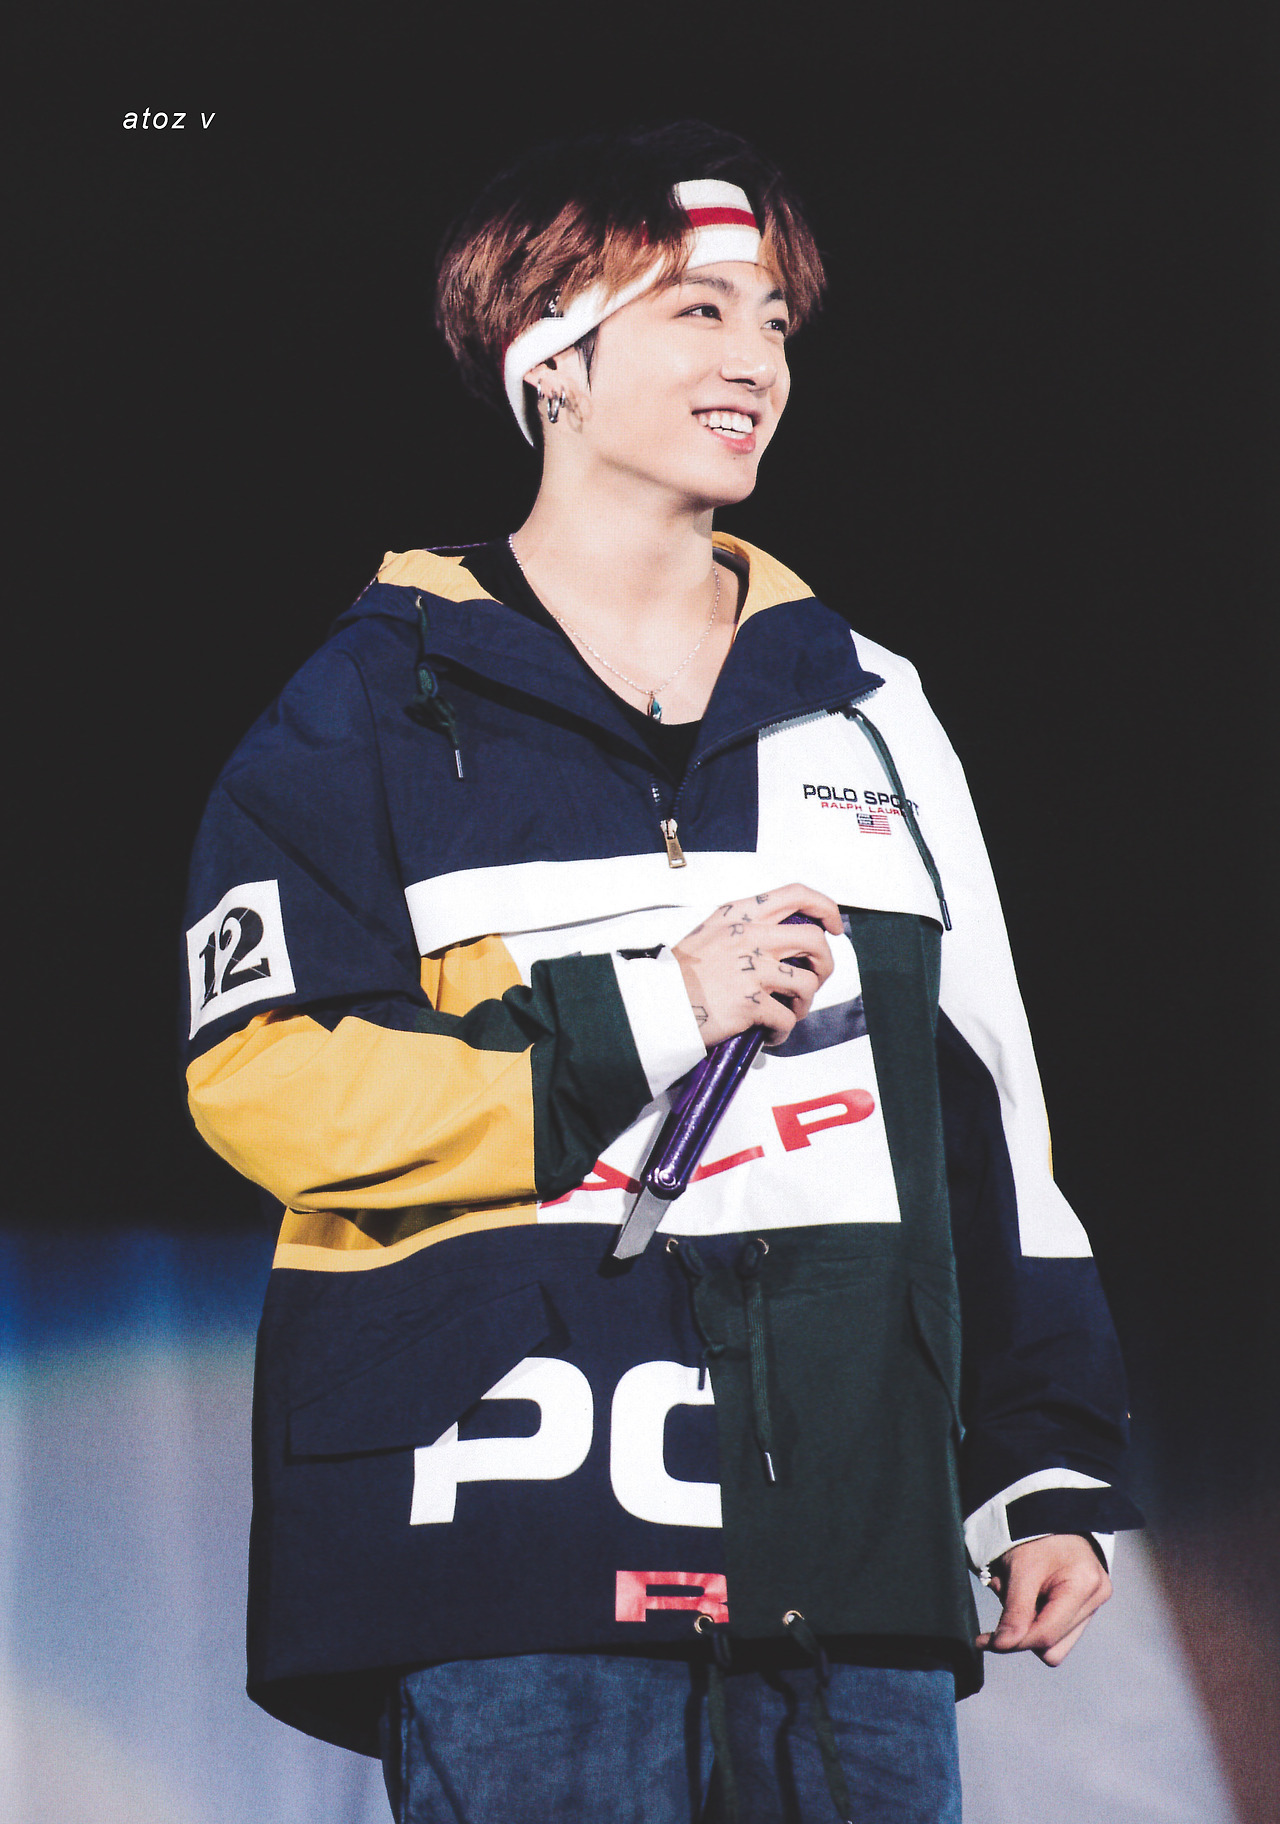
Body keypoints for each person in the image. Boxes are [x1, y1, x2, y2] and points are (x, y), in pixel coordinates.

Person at [181, 121, 1141, 1823]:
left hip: (846, 1538)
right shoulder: (367, 704)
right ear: (546, 354)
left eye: (774, 321)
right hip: (504, 1528)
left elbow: (990, 1111)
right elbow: (265, 1081)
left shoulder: (871, 706)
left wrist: (1042, 1458)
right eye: (699, 310)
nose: (757, 360)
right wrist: (646, 1012)